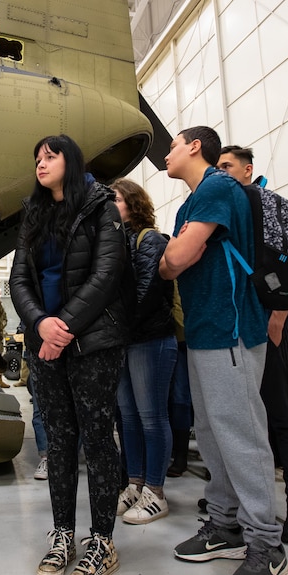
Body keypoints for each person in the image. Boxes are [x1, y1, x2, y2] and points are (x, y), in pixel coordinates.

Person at [159, 126, 288, 575]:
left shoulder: (217, 186)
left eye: (173, 145)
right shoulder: (193, 199)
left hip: (232, 327)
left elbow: (177, 256)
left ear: (195, 147)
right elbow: (179, 258)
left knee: (241, 434)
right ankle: (225, 526)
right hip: (206, 329)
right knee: (214, 433)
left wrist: (167, 258)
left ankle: (267, 545)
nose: (167, 154)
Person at [8, 134, 130, 575]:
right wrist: (41, 324)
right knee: (58, 442)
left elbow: (106, 275)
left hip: (93, 341)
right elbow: (20, 277)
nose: (41, 163)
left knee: (97, 438)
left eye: (50, 156)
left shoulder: (103, 208)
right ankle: (63, 534)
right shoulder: (34, 212)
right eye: (36, 156)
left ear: (72, 162)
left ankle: (102, 540)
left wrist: (65, 328)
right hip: (46, 342)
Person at [216, 145, 288, 545]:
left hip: (269, 328)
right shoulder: (224, 207)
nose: (220, 173)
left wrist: (278, 317)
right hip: (234, 332)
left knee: (282, 418)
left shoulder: (269, 206)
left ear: (248, 170)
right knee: (239, 422)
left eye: (227, 166)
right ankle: (241, 507)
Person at [110, 178, 178, 525]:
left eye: (116, 199)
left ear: (133, 203)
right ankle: (135, 483)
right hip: (124, 340)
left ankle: (156, 491)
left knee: (152, 417)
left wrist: (119, 328)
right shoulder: (114, 240)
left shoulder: (149, 239)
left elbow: (147, 290)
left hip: (149, 339)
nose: (111, 204)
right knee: (129, 418)